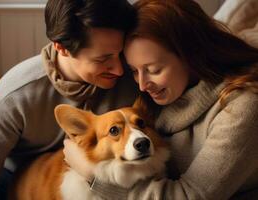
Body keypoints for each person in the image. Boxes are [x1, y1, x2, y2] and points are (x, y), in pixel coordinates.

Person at [63, 0, 258, 199]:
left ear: (190, 54)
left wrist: (92, 175)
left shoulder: (243, 108)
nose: (142, 85)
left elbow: (192, 196)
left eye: (153, 70)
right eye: (134, 71)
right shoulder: (160, 90)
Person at [0, 0, 138, 199]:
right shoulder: (14, 96)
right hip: (11, 178)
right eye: (102, 59)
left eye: (120, 54)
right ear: (62, 48)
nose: (119, 69)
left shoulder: (136, 78)